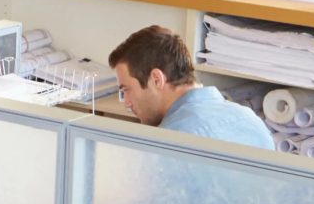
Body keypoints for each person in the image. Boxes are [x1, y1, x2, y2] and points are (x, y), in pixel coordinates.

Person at [108, 24, 275, 150]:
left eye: (126, 90)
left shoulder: (169, 141)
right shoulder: (251, 121)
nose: (127, 103)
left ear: (157, 79)